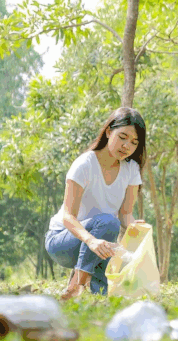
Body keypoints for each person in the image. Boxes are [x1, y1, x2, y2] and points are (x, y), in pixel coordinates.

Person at [45, 107, 146, 300]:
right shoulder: (85, 164)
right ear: (109, 132)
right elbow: (68, 216)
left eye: (134, 142)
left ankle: (93, 287)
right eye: (122, 137)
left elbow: (125, 214)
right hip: (63, 242)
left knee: (108, 289)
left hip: (100, 242)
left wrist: (135, 227)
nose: (126, 146)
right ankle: (77, 284)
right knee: (109, 223)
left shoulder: (131, 169)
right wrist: (91, 240)